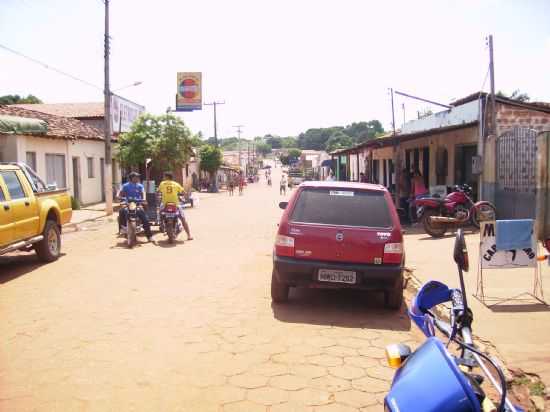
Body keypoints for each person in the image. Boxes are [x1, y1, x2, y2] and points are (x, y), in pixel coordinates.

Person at [117, 172, 153, 242]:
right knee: (121, 211)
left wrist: (144, 199)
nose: (137, 178)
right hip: (128, 203)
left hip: (138, 203)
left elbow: (143, 193)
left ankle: (149, 236)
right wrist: (118, 196)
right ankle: (122, 229)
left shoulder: (140, 186)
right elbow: (120, 192)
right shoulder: (125, 185)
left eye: (138, 177)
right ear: (131, 178)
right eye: (136, 177)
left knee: (145, 218)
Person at [158, 171, 193, 240]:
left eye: (164, 176)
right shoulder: (176, 184)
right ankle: (189, 235)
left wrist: (159, 195)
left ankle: (161, 225)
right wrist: (185, 196)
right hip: (175, 204)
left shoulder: (162, 184)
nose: (163, 178)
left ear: (166, 177)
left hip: (165, 204)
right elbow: (183, 192)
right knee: (183, 219)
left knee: (160, 213)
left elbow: (159, 191)